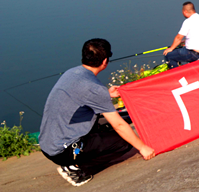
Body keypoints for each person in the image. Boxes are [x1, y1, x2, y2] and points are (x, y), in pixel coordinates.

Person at [39, 39, 156, 186]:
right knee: (124, 142)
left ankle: (77, 158)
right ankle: (76, 168)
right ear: (105, 61)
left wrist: (106, 95)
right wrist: (142, 148)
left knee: (117, 123)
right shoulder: (94, 88)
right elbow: (118, 124)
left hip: (47, 143)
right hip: (63, 150)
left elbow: (82, 95)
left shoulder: (72, 73)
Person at [163, 1, 199, 70]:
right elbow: (198, 34)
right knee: (180, 49)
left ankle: (177, 75)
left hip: (194, 54)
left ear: (185, 12)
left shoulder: (188, 21)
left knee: (169, 55)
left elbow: (178, 38)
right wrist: (186, 41)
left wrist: (171, 48)